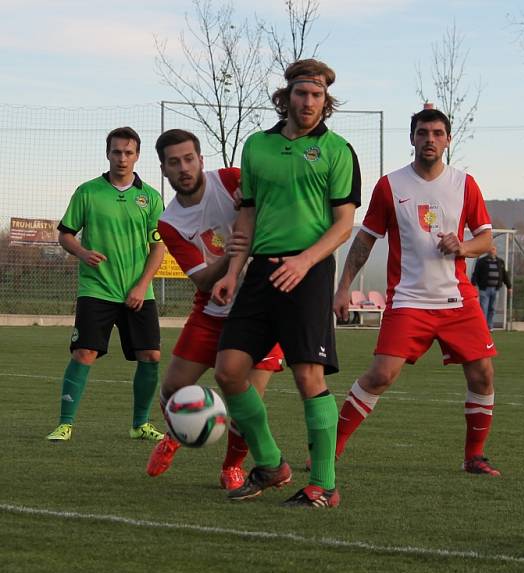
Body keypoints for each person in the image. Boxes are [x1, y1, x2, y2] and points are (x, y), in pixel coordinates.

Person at [211, 58, 360, 508]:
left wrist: (305, 261)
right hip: (259, 272)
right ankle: (272, 464)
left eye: (317, 95)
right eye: (301, 93)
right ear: (287, 96)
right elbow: (248, 214)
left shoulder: (337, 150)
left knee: (307, 376)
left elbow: (344, 224)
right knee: (230, 370)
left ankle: (325, 485)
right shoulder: (256, 146)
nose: (309, 101)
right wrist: (233, 272)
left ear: (325, 100)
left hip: (310, 273)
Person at [327, 107, 500, 477]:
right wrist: (342, 287)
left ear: (448, 140)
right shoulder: (391, 186)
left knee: (483, 374)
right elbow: (365, 240)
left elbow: (486, 238)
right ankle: (330, 451)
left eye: (438, 133)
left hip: (458, 300)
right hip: (409, 302)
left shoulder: (464, 184)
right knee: (380, 375)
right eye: (423, 133)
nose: (430, 140)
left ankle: (474, 456)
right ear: (412, 138)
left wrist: (463, 247)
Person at [145, 129, 285, 490]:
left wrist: (253, 198)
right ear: (164, 170)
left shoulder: (230, 179)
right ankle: (177, 434)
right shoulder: (169, 222)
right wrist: (233, 254)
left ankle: (231, 467)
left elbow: (275, 202)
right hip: (212, 312)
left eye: (189, 159)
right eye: (174, 163)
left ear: (201, 160)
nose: (183, 168)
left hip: (262, 308)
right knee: (171, 388)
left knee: (247, 399)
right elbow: (205, 281)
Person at [46, 127, 166, 442]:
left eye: (128, 152)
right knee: (84, 352)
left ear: (137, 156)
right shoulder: (87, 192)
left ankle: (140, 424)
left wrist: (142, 285)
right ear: (107, 153)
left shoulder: (151, 198)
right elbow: (66, 234)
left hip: (138, 291)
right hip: (96, 289)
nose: (122, 158)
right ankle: (65, 424)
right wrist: (82, 252)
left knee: (151, 356)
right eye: (116, 151)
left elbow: (158, 248)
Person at [471, 244, 512, 329]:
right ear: (487, 250)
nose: (492, 250)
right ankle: (482, 327)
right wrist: (473, 285)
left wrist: (509, 287)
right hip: (484, 290)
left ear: (495, 250)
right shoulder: (481, 261)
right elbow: (475, 274)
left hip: (496, 289)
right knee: (483, 309)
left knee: (492, 309)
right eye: (490, 249)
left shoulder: (500, 262)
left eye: (494, 249)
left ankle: (489, 326)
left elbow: (504, 275)